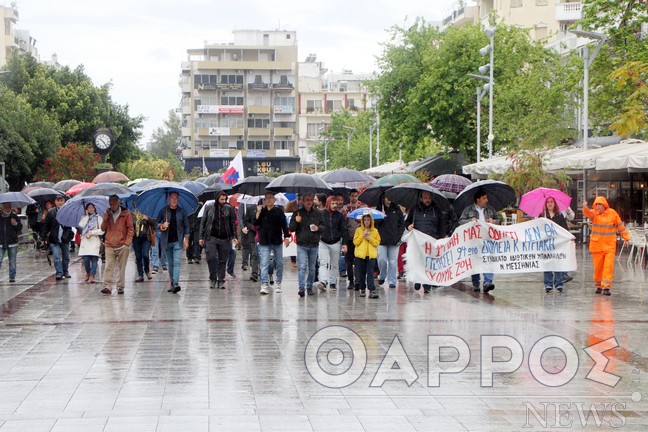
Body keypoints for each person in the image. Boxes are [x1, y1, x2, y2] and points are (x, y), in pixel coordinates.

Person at [582, 196, 630, 296]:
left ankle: (606, 287)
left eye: (599, 204)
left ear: (604, 205)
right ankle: (598, 285)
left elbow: (620, 226)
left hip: (609, 245)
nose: (598, 206)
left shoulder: (612, 213)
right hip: (597, 245)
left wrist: (626, 238)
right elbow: (588, 214)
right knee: (598, 267)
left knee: (608, 266)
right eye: (596, 205)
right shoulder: (594, 213)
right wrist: (585, 208)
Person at [405, 191, 448, 293]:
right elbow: (406, 222)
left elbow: (441, 225)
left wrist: (441, 238)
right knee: (418, 261)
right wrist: (409, 226)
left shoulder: (436, 209)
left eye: (429, 197)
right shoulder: (414, 209)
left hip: (431, 240)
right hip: (417, 241)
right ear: (421, 198)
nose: (427, 199)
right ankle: (417, 280)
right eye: (425, 197)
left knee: (428, 263)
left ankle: (427, 284)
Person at [458, 189, 499, 293]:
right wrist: (469, 221)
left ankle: (487, 282)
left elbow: (497, 218)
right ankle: (476, 282)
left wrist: (494, 221)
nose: (486, 200)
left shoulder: (490, 209)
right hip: (474, 240)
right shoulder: (468, 210)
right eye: (484, 198)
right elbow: (461, 221)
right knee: (475, 261)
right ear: (478, 200)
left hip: (487, 239)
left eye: (486, 198)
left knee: (487, 259)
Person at [254, 192, 290, 294]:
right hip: (264, 241)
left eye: (270, 198)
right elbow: (255, 223)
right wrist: (258, 213)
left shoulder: (279, 211)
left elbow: (284, 225)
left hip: (276, 240)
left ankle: (278, 282)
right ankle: (264, 284)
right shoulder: (262, 211)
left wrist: (287, 237)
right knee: (264, 263)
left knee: (279, 263)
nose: (268, 200)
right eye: (266, 198)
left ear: (274, 200)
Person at [199, 191, 237, 289]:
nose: (224, 201)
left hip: (224, 237)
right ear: (217, 199)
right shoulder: (209, 207)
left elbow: (232, 223)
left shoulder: (229, 208)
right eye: (222, 199)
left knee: (223, 259)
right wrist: (200, 237)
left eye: (225, 199)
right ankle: (212, 278)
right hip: (211, 237)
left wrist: (234, 237)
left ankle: (221, 279)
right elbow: (203, 222)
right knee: (211, 258)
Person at [289, 193, 324, 297]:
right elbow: (291, 228)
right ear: (302, 201)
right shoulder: (297, 213)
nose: (309, 202)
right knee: (302, 267)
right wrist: (296, 222)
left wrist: (318, 228)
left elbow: (323, 226)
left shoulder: (317, 213)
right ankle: (301, 287)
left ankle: (309, 286)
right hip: (302, 244)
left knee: (312, 268)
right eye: (307, 200)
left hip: (314, 244)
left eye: (310, 200)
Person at [100, 195, 134, 295]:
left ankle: (120, 286)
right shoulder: (107, 213)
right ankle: (107, 286)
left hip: (122, 244)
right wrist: (105, 219)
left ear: (119, 202)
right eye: (110, 202)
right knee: (108, 266)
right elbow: (102, 229)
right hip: (109, 244)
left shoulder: (126, 213)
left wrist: (127, 243)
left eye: (114, 202)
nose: (112, 204)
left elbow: (130, 228)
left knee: (121, 267)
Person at [158, 191, 191, 293]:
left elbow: (186, 226)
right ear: (168, 199)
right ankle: (172, 283)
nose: (174, 200)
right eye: (172, 198)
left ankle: (176, 282)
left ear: (178, 199)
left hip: (178, 241)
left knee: (177, 262)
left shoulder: (182, 212)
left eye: (176, 198)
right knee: (171, 264)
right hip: (167, 241)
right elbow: (156, 223)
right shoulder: (164, 211)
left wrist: (187, 240)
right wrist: (162, 225)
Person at [315, 196, 347, 292]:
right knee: (323, 263)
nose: (334, 205)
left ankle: (333, 282)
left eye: (336, 204)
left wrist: (344, 243)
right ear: (328, 203)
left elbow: (343, 230)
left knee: (334, 264)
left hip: (336, 242)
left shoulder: (340, 216)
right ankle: (323, 281)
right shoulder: (321, 214)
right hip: (323, 241)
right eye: (332, 203)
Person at [376, 195, 405, 289]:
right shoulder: (379, 209)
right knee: (382, 260)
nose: (388, 200)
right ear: (383, 198)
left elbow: (402, 224)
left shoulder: (396, 209)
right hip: (381, 240)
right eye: (387, 198)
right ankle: (382, 275)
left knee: (393, 261)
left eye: (390, 198)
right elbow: (375, 225)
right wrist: (381, 217)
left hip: (394, 239)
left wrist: (399, 236)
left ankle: (392, 281)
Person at [43, 194, 74, 281]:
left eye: (61, 200)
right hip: (54, 238)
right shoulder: (51, 212)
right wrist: (43, 237)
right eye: (58, 200)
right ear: (55, 202)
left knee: (66, 256)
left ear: (64, 201)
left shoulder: (68, 212)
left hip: (64, 237)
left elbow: (73, 223)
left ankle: (65, 271)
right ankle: (59, 272)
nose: (60, 202)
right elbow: (46, 225)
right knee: (56, 257)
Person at [340, 189, 365, 291]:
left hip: (359, 239)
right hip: (348, 238)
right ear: (349, 196)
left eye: (356, 196)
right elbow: (343, 224)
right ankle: (351, 281)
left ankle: (358, 280)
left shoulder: (362, 208)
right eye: (352, 196)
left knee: (359, 261)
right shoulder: (345, 209)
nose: (354, 198)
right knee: (349, 262)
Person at [542, 197, 568, 293]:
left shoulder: (559, 216)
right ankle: (548, 284)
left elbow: (564, 229)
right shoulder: (542, 216)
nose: (549, 204)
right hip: (546, 244)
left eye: (551, 202)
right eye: (548, 202)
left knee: (558, 263)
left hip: (557, 243)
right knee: (547, 263)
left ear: (554, 204)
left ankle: (558, 284)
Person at [354, 212, 381, 298]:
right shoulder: (358, 230)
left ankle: (371, 289)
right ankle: (362, 288)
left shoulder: (375, 231)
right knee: (361, 272)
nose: (366, 222)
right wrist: (362, 236)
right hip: (360, 255)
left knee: (370, 272)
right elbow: (355, 242)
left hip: (371, 255)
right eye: (365, 220)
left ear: (371, 221)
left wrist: (370, 238)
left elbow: (377, 242)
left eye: (368, 220)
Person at [78, 203, 104, 284]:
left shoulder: (98, 218)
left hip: (94, 241)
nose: (91, 209)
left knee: (94, 259)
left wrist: (92, 232)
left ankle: (92, 275)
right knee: (85, 259)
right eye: (89, 208)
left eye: (92, 208)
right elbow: (80, 227)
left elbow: (102, 230)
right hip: (85, 241)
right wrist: (87, 219)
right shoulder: (84, 218)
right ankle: (88, 272)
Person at [0, 203, 22, 282]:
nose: (7, 208)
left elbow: (20, 228)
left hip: (12, 242)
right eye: (5, 207)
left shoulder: (14, 216)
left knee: (12, 261)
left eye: (9, 207)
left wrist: (15, 223)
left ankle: (12, 276)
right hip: (1, 242)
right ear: (1, 208)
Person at [131, 209, 156, 282]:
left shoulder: (148, 212)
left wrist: (147, 218)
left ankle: (147, 270)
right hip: (136, 237)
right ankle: (140, 274)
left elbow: (154, 222)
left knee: (145, 254)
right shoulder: (132, 214)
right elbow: (129, 224)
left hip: (146, 237)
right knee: (138, 256)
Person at [239, 201, 258, 280]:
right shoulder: (243, 204)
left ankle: (252, 265)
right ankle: (245, 263)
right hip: (245, 228)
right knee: (246, 246)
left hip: (255, 231)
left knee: (253, 251)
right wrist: (242, 227)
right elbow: (240, 217)